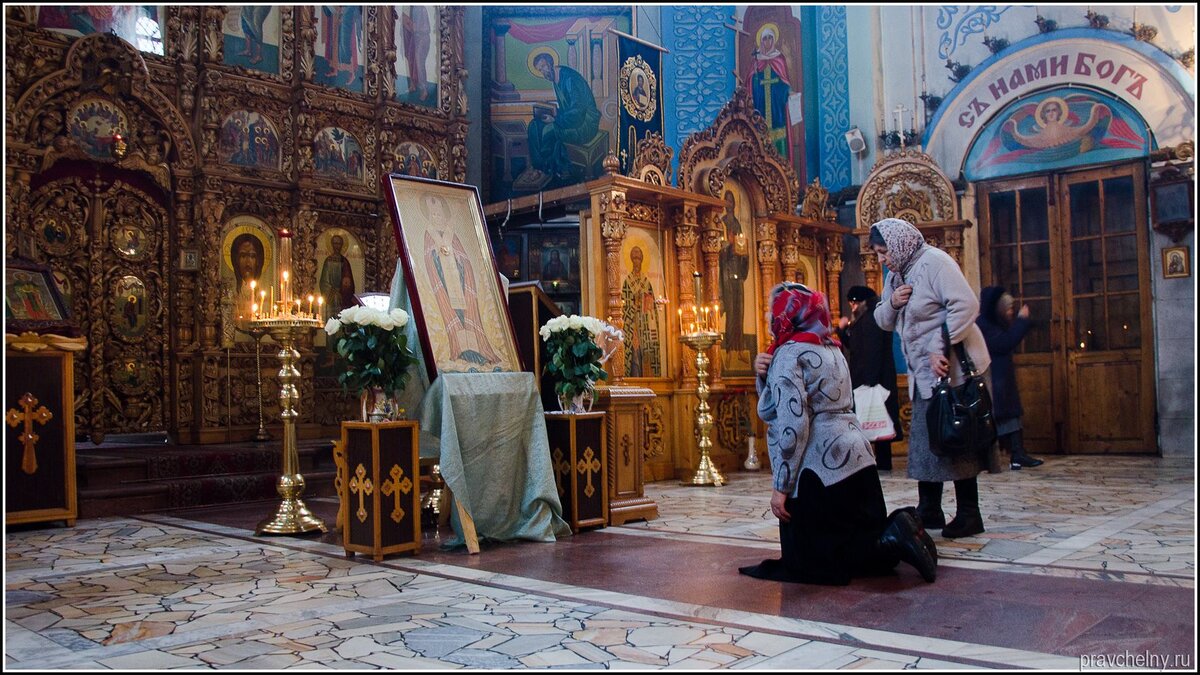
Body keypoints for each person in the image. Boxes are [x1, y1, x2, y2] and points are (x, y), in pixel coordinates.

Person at [739, 282, 936, 585]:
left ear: (786, 316)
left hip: (819, 466)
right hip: (857, 457)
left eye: (772, 310)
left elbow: (792, 423)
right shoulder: (831, 348)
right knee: (859, 543)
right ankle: (897, 530)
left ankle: (899, 530)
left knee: (810, 561)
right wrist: (764, 375)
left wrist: (781, 487)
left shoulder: (789, 354)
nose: (768, 315)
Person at [870, 217, 1004, 539]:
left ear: (899, 243)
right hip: (925, 375)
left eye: (882, 251)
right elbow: (882, 320)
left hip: (954, 369)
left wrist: (937, 345)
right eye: (877, 253)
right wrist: (892, 302)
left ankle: (970, 514)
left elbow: (967, 305)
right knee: (926, 442)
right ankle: (929, 509)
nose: (881, 259)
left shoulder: (936, 263)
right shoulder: (897, 274)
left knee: (958, 436)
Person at [421, 194, 502, 366]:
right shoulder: (430, 235)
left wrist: (459, 260)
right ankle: (459, 350)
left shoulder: (453, 235)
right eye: (433, 215)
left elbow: (465, 259)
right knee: (453, 315)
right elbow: (428, 259)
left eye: (439, 214)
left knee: (468, 315)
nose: (437, 218)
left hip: (461, 282)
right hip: (445, 285)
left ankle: (476, 351)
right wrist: (436, 255)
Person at [977, 287, 1044, 470]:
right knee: (999, 419)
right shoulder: (983, 324)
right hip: (994, 380)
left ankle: (1017, 454)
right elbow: (1005, 343)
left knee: (1011, 416)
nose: (1010, 313)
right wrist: (1022, 321)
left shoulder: (992, 323)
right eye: (1007, 309)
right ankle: (1007, 456)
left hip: (1001, 378)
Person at [836, 285, 902, 470]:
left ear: (860, 301)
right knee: (874, 420)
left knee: (878, 420)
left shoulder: (872, 318)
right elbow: (855, 346)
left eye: (853, 303)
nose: (852, 307)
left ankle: (881, 463)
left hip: (874, 380)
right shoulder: (866, 317)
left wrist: (870, 383)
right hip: (869, 378)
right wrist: (841, 332)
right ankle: (875, 462)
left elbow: (872, 351)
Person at [524, 51, 601, 186]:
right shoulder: (555, 79)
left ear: (550, 63)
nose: (543, 72)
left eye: (543, 67)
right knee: (534, 125)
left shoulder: (570, 78)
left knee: (549, 131)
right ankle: (539, 167)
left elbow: (578, 112)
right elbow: (567, 109)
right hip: (571, 119)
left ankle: (544, 169)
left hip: (585, 124)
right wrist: (550, 111)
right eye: (540, 70)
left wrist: (555, 119)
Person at [746, 24, 792, 159]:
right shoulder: (756, 61)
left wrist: (786, 91)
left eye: (770, 38)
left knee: (778, 146)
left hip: (776, 110)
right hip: (760, 108)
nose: (767, 41)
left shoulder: (779, 59)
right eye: (764, 38)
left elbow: (784, 82)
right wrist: (755, 79)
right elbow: (750, 85)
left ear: (774, 40)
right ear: (761, 41)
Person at [719, 190, 750, 356]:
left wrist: (744, 253)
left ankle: (739, 349)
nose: (730, 204)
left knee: (739, 311)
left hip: (738, 273)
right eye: (727, 201)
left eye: (732, 201)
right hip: (727, 273)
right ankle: (730, 349)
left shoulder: (737, 224)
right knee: (731, 311)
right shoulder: (722, 222)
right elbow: (718, 252)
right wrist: (729, 246)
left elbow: (742, 249)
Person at [621, 246, 660, 377]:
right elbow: (623, 305)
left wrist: (645, 303)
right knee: (634, 353)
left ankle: (648, 379)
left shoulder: (646, 283)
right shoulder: (627, 282)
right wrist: (633, 305)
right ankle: (634, 378)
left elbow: (652, 307)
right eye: (634, 258)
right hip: (633, 325)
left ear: (642, 260)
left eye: (639, 258)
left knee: (647, 354)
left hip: (646, 325)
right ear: (631, 260)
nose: (637, 261)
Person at [319, 235, 356, 319]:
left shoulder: (345, 262)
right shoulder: (328, 261)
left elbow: (349, 283)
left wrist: (342, 291)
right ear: (332, 245)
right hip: (330, 296)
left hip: (342, 296)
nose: (337, 246)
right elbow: (324, 281)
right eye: (335, 243)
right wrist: (333, 292)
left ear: (342, 245)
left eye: (339, 244)